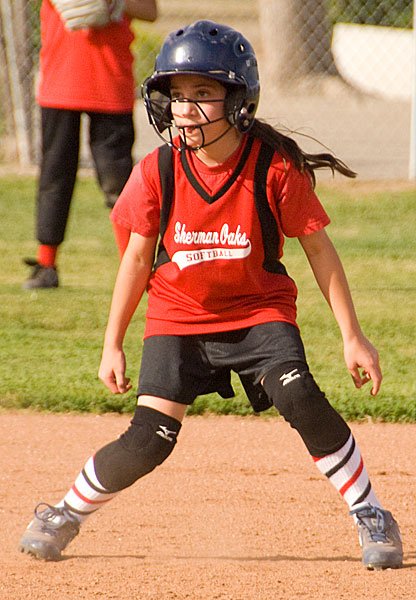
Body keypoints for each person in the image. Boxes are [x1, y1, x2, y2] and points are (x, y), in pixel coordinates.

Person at [18, 20, 403, 570]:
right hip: (178, 316)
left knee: (300, 397)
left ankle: (370, 511)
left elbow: (320, 251)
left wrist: (353, 336)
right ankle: (64, 513)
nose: (185, 109)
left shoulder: (273, 167)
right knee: (150, 438)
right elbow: (136, 260)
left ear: (239, 101)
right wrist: (112, 343)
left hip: (259, 312)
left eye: (203, 94)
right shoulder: (158, 170)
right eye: (177, 96)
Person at [22, 0, 157, 289]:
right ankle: (46, 265)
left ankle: (133, 267)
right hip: (60, 78)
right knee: (55, 174)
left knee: (118, 180)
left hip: (110, 80)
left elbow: (151, 12)